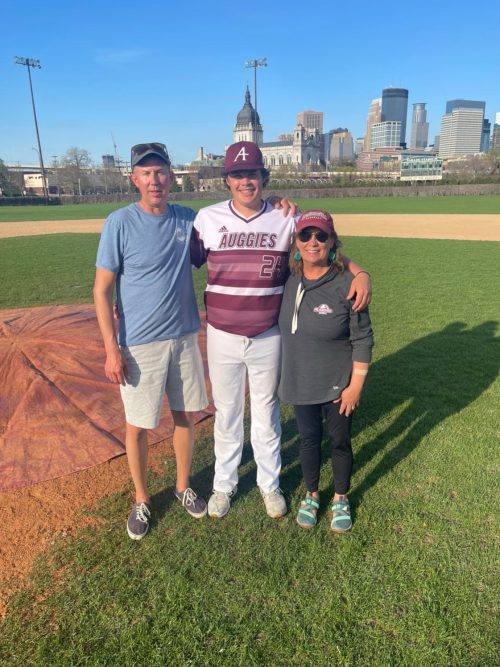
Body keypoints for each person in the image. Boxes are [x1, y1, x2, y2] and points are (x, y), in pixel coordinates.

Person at [191, 142, 372, 520]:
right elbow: (182, 267)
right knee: (226, 413)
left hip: (267, 333)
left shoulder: (287, 218)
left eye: (252, 174)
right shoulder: (206, 219)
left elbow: (325, 248)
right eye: (238, 175)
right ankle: (224, 485)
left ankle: (269, 485)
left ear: (264, 177)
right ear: (227, 180)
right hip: (222, 333)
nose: (246, 181)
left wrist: (361, 272)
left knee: (266, 411)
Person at [93, 142, 209, 540]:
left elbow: (233, 223)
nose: (154, 179)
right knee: (138, 425)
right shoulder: (119, 223)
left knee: (184, 415)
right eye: (146, 172)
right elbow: (102, 290)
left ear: (171, 177)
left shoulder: (187, 219)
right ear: (134, 179)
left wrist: (276, 200)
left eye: (160, 171)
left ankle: (181, 486)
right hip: (139, 343)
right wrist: (111, 349)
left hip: (183, 336)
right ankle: (142, 498)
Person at [278, 209, 374, 531]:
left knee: (339, 442)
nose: (313, 242)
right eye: (305, 235)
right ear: (296, 242)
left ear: (333, 241)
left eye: (321, 235)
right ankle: (312, 494)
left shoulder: (348, 284)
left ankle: (341, 497)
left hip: (338, 384)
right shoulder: (288, 278)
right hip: (300, 379)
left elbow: (363, 337)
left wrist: (356, 385)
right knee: (307, 439)